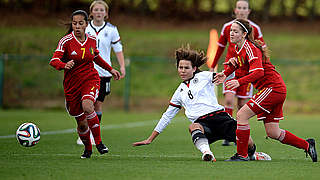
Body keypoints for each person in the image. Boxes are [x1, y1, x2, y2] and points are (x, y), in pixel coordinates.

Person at [132, 45, 271, 162]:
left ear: (194, 68)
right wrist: (150, 139)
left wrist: (236, 64)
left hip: (220, 118)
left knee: (249, 144)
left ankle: (253, 155)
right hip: (203, 124)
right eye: (180, 67)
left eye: (186, 67)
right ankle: (207, 153)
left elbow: (225, 75)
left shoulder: (204, 76)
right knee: (193, 126)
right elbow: (167, 116)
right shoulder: (179, 92)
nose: (182, 70)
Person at [213, 19, 317, 162]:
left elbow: (258, 73)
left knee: (242, 115)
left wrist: (239, 82)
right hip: (274, 89)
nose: (231, 33)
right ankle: (307, 145)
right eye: (231, 30)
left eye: (235, 31)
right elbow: (239, 65)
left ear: (244, 34)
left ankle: (242, 155)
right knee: (273, 132)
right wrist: (225, 74)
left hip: (273, 88)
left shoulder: (250, 48)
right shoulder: (239, 48)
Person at [49, 10, 121, 158]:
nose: (77, 26)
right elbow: (54, 60)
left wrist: (110, 69)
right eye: (74, 23)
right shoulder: (66, 41)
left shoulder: (92, 39)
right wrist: (64, 65)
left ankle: (99, 143)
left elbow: (96, 57)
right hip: (72, 86)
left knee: (88, 106)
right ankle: (88, 149)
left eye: (80, 23)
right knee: (82, 124)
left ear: (86, 24)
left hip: (90, 79)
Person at [210, 0, 266, 146]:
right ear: (235, 10)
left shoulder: (255, 29)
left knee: (242, 105)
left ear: (248, 11)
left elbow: (262, 49)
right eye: (239, 8)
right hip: (231, 68)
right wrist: (214, 64)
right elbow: (221, 46)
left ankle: (240, 135)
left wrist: (262, 66)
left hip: (246, 72)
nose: (241, 10)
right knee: (228, 100)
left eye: (244, 8)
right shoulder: (227, 27)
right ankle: (227, 133)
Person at [77, 0, 126, 145]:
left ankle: (92, 134)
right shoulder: (85, 29)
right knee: (85, 103)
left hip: (104, 74)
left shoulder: (111, 30)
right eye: (96, 10)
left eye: (101, 10)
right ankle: (83, 131)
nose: (99, 12)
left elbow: (118, 49)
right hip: (85, 72)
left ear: (106, 13)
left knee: (97, 105)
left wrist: (122, 66)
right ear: (91, 13)